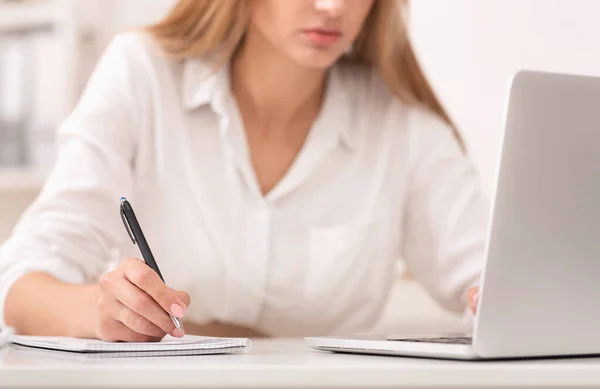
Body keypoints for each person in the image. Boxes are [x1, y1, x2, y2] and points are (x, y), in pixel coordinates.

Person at [0, 0, 487, 342]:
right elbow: (21, 284)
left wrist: (498, 299)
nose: (333, 5)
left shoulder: (402, 125)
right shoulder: (142, 74)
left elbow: (489, 274)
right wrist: (103, 313)